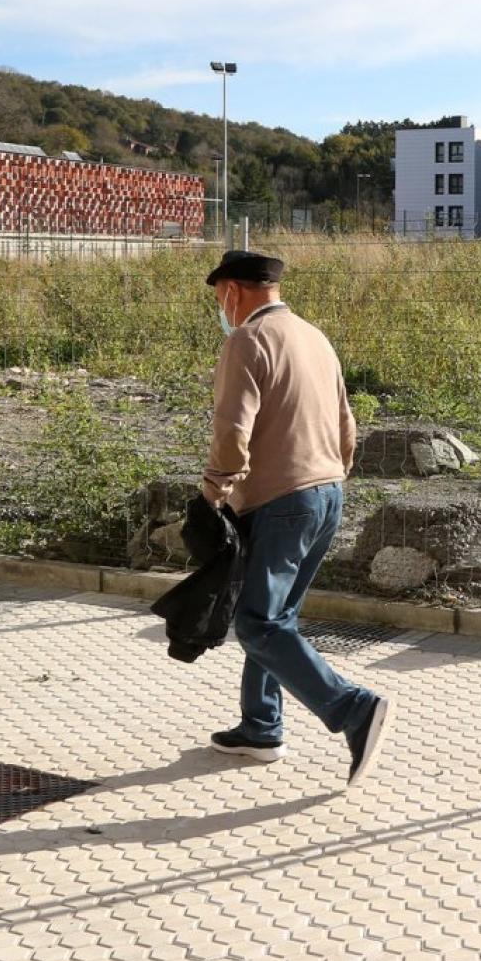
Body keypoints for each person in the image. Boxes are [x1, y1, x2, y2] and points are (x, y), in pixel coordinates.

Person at [200, 248, 391, 787]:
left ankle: (354, 710)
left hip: (282, 502)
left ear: (233, 292)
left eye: (220, 298)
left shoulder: (245, 341)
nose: (221, 308)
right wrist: (329, 477)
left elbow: (232, 430)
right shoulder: (314, 337)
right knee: (276, 618)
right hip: (326, 492)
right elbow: (345, 423)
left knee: (257, 622)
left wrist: (216, 490)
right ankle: (261, 728)